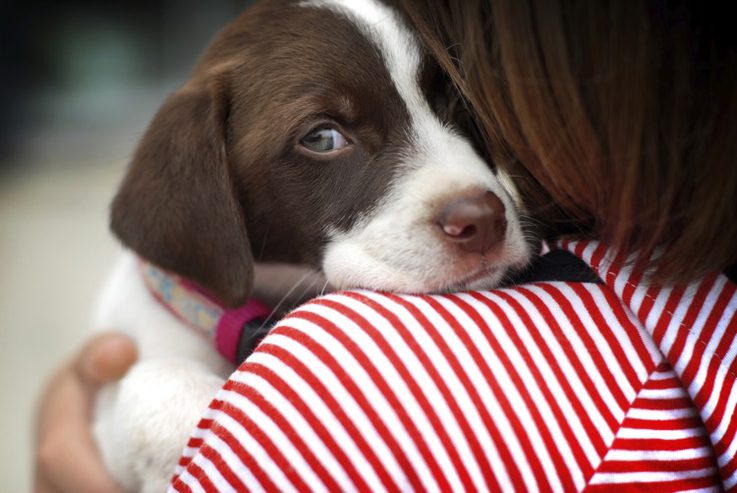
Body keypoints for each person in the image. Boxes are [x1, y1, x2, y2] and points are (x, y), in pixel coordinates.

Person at [36, 0, 736, 491]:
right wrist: (149, 403)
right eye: (323, 137)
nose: (470, 198)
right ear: (204, 184)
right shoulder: (157, 305)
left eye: (455, 103)